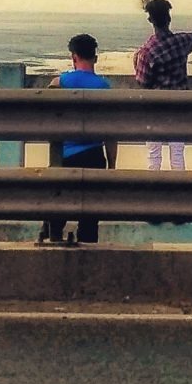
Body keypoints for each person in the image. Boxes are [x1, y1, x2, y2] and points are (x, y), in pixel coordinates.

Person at [39, 34, 112, 245]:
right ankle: (89, 257)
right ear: (95, 58)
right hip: (94, 157)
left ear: (74, 57)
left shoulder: (59, 83)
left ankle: (51, 242)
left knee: (55, 213)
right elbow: (110, 133)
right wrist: (112, 164)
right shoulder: (104, 87)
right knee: (89, 218)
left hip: (65, 157)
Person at [132, 0, 192, 171]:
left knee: (153, 155)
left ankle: (154, 193)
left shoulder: (147, 51)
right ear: (169, 19)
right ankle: (179, 192)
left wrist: (135, 63)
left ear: (150, 20)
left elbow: (143, 83)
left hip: (155, 109)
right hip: (178, 107)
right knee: (177, 153)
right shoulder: (180, 42)